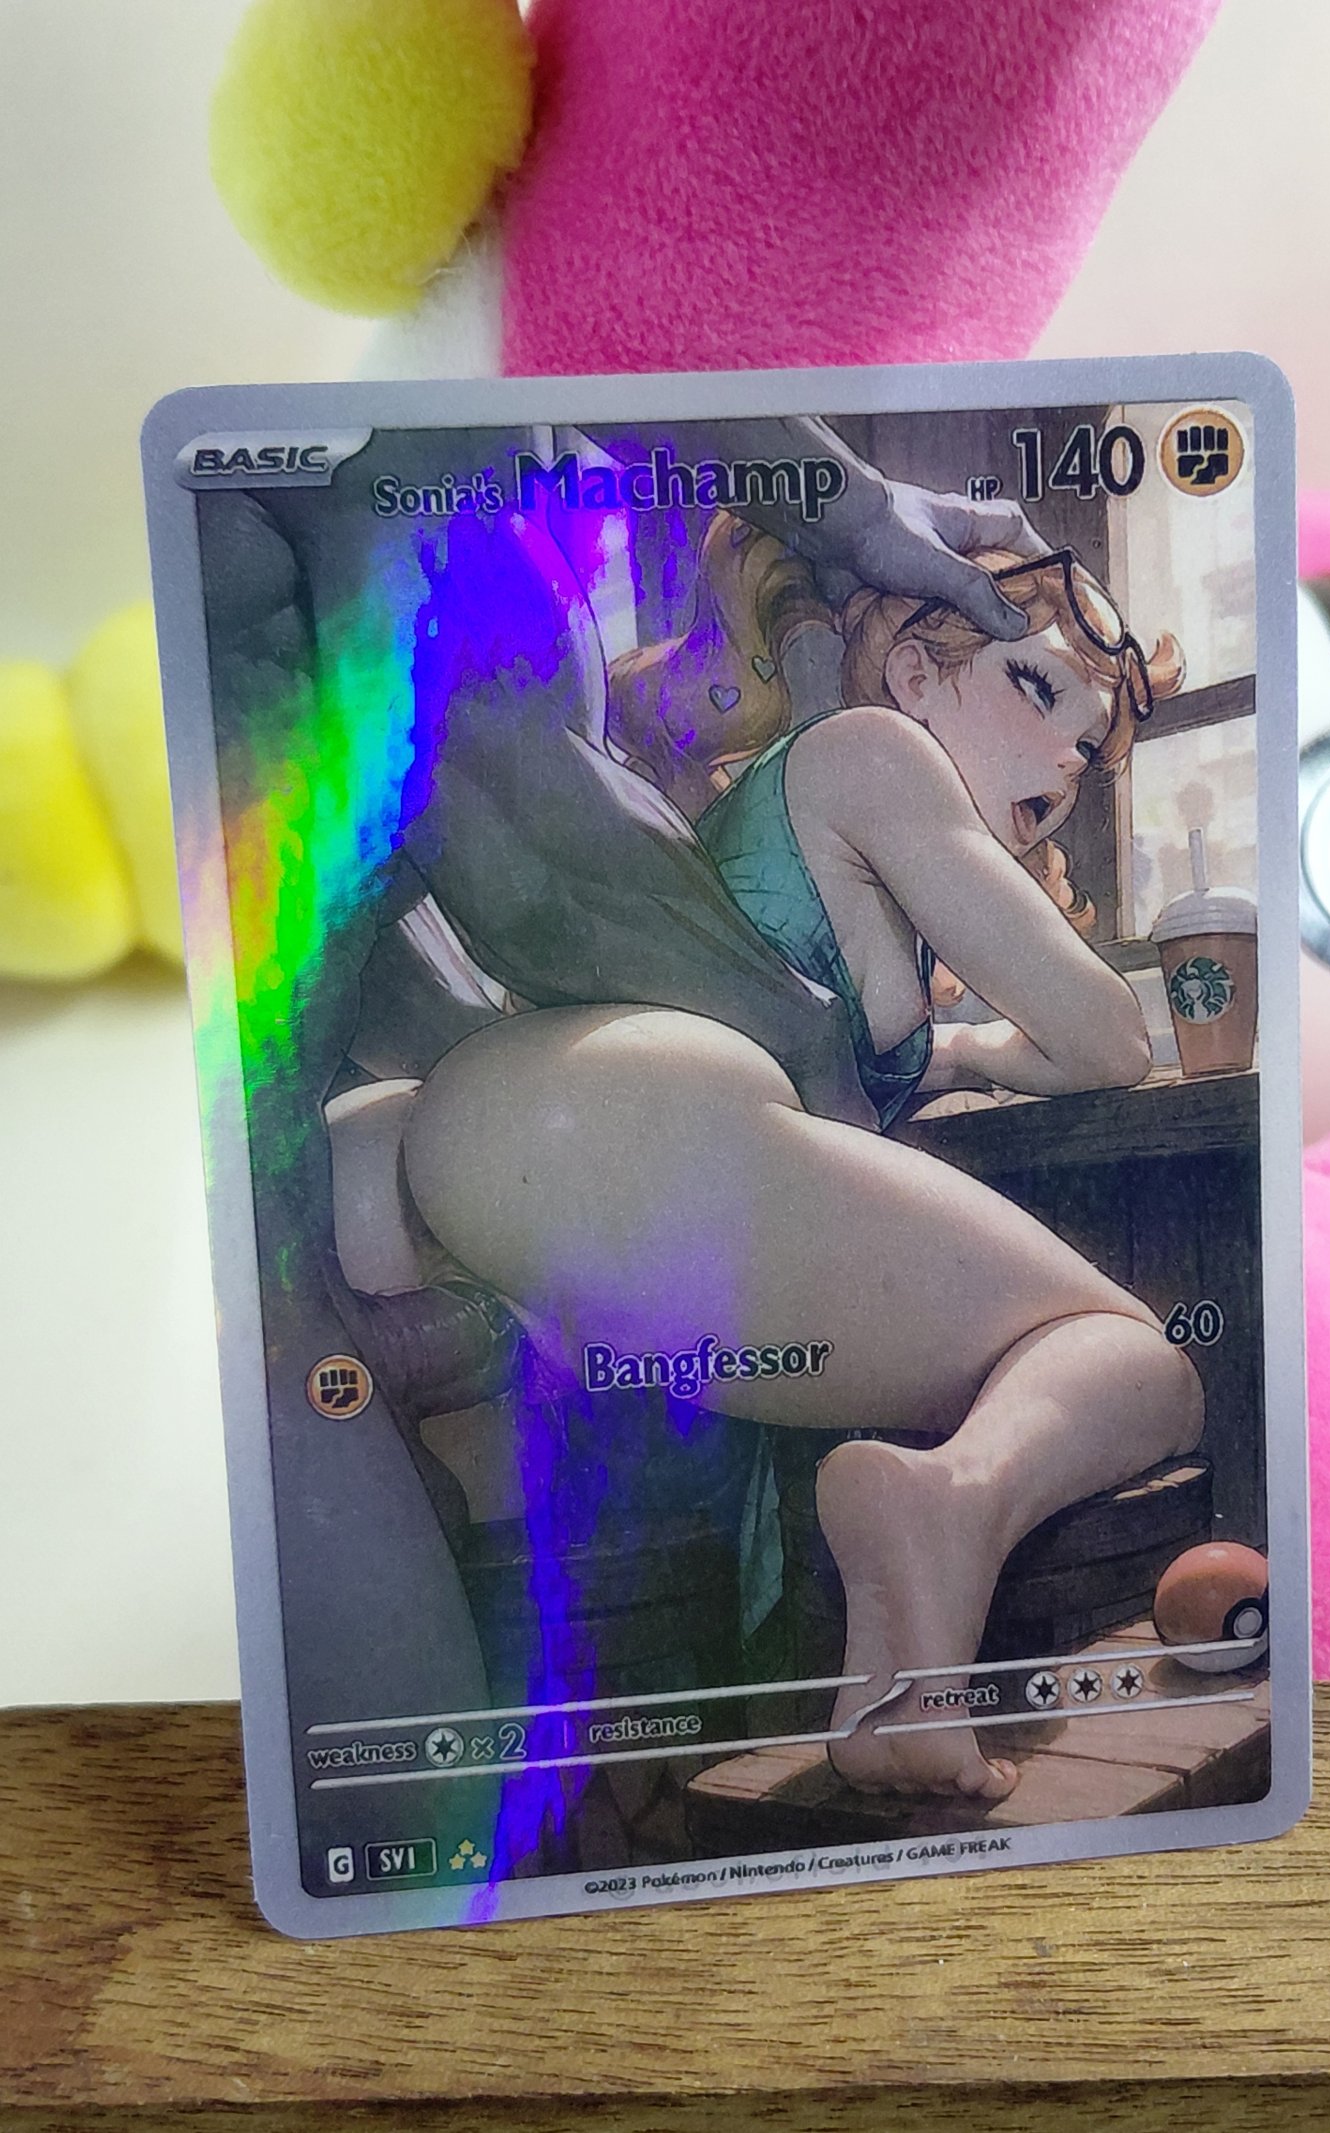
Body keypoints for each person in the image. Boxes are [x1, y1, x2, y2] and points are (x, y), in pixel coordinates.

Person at [401, 521, 1203, 1801]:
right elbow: (1108, 1038)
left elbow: (897, 1058)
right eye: (1036, 687)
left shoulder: (816, 837)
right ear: (916, 670)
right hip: (623, 1126)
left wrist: (953, 1051)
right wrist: (988, 1047)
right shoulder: (872, 751)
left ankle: (901, 1697)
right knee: (1139, 1366)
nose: (1067, 754)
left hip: (529, 1163)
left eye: (1090, 743)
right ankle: (951, 1503)